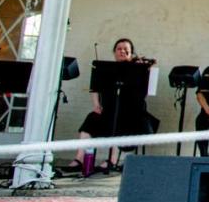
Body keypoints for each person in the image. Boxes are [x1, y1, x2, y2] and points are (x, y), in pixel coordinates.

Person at [64, 38, 158, 173]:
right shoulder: (105, 69)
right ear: (114, 52)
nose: (123, 51)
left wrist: (144, 69)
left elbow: (146, 92)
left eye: (127, 49)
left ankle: (112, 160)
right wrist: (96, 105)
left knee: (119, 120)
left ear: (131, 53)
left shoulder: (138, 69)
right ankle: (79, 158)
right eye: (119, 49)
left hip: (132, 114)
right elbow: (95, 87)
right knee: (90, 120)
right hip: (108, 110)